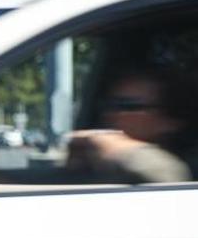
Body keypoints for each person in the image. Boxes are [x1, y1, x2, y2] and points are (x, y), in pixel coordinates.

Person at [66, 67, 196, 184]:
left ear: (167, 122)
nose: (112, 113)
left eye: (128, 106)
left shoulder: (171, 169)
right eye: (110, 104)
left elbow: (170, 176)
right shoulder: (95, 160)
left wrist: (119, 149)